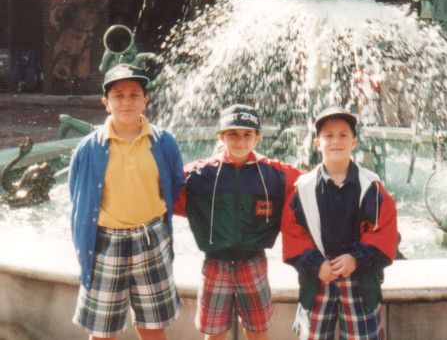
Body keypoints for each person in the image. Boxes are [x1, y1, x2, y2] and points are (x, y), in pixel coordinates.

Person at [69, 63, 184, 340]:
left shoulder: (163, 142)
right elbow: (79, 198)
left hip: (151, 239)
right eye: (118, 95)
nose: (127, 102)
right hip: (106, 243)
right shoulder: (88, 148)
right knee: (103, 330)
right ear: (106, 103)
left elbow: (176, 183)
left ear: (145, 101)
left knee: (153, 325)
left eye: (134, 95)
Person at [174, 103, 301, 340]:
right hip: (215, 263)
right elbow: (165, 194)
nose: (240, 141)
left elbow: (310, 188)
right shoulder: (199, 175)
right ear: (221, 136)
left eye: (247, 135)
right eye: (233, 134)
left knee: (257, 330)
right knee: (214, 333)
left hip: (253, 263)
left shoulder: (275, 175)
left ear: (257, 138)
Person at [282, 107, 398, 340]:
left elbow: (383, 232)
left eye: (343, 135)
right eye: (328, 135)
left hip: (359, 280)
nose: (336, 141)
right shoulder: (302, 188)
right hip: (318, 279)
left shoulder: (371, 187)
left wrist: (356, 258)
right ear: (317, 143)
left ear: (354, 142)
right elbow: (294, 234)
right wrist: (316, 266)